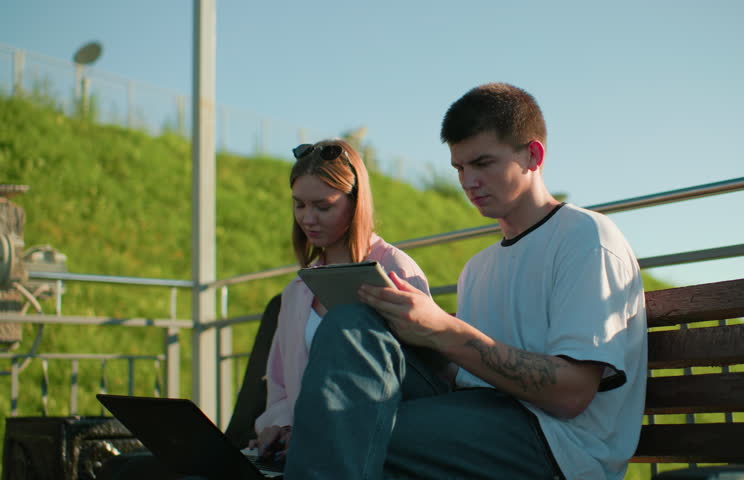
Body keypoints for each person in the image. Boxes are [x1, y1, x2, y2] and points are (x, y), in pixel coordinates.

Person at [282, 84, 648, 480]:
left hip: (561, 446)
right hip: (484, 417)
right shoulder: (479, 267)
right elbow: (471, 378)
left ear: (533, 155)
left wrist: (444, 330)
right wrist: (412, 330)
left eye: (483, 163)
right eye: (459, 168)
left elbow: (571, 393)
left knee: (347, 430)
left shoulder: (586, 238)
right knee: (352, 321)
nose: (468, 181)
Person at [249, 138, 433, 460]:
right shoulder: (296, 291)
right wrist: (280, 428)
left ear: (355, 203)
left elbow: (423, 375)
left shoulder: (395, 269)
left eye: (323, 206)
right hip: (302, 448)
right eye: (299, 204)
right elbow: (279, 384)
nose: (307, 218)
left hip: (374, 448)